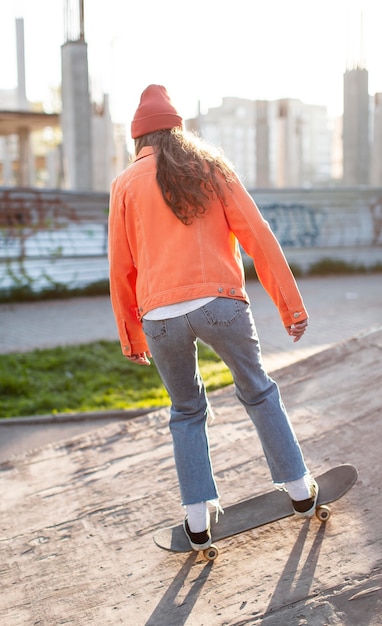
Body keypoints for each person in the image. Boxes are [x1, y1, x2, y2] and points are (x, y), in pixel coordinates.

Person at [108, 84, 318, 552]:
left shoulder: (124, 184)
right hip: (220, 303)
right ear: (177, 131)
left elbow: (120, 266)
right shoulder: (209, 167)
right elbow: (257, 235)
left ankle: (197, 520)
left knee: (186, 410)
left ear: (138, 140)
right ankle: (301, 491)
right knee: (258, 390)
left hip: (159, 317)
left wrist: (131, 337)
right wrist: (291, 306)